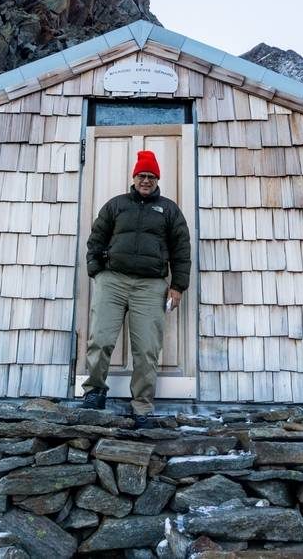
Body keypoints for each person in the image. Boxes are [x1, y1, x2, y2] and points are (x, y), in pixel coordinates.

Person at [81, 149, 191, 428]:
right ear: (134, 177)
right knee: (101, 339)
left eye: (151, 176)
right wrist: (96, 271)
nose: (146, 180)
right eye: (142, 175)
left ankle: (142, 405)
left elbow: (182, 250)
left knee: (146, 349)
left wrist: (177, 286)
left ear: (157, 179)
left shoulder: (169, 210)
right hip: (113, 281)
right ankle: (94, 392)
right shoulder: (116, 205)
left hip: (151, 286)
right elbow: (96, 238)